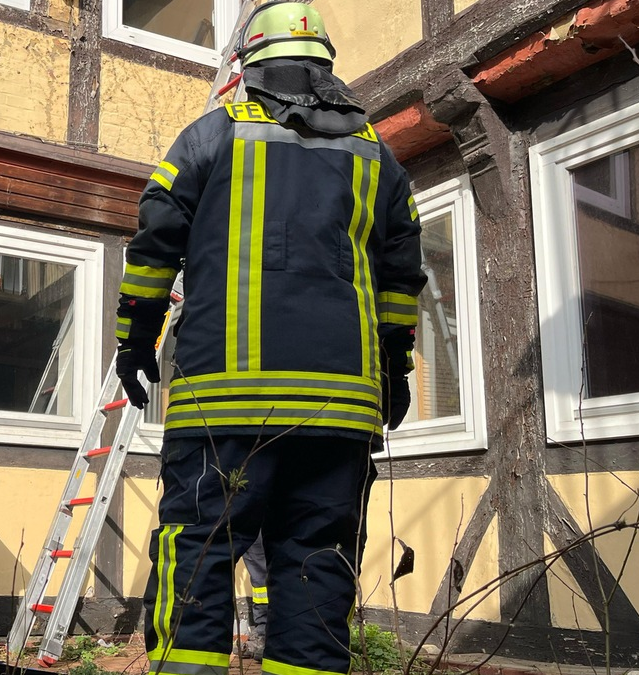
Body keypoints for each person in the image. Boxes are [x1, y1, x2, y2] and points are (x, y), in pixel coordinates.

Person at [113, 4, 427, 675]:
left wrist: (135, 340)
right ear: (326, 71)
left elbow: (152, 247)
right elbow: (401, 278)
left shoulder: (206, 140)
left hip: (223, 404)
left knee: (198, 554)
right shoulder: (381, 160)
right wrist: (395, 367)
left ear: (246, 68)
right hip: (340, 410)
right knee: (317, 565)